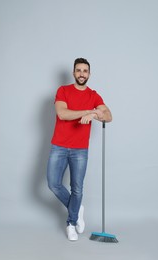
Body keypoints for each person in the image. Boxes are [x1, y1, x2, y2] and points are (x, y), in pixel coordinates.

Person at [47, 58, 112, 241]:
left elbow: (108, 115)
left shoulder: (94, 95)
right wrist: (88, 112)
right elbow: (62, 113)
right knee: (53, 184)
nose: (82, 73)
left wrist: (96, 113)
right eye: (78, 70)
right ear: (73, 72)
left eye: (85, 71)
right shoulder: (63, 91)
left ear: (89, 74)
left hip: (80, 150)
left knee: (77, 188)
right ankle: (77, 207)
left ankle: (71, 222)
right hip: (59, 145)